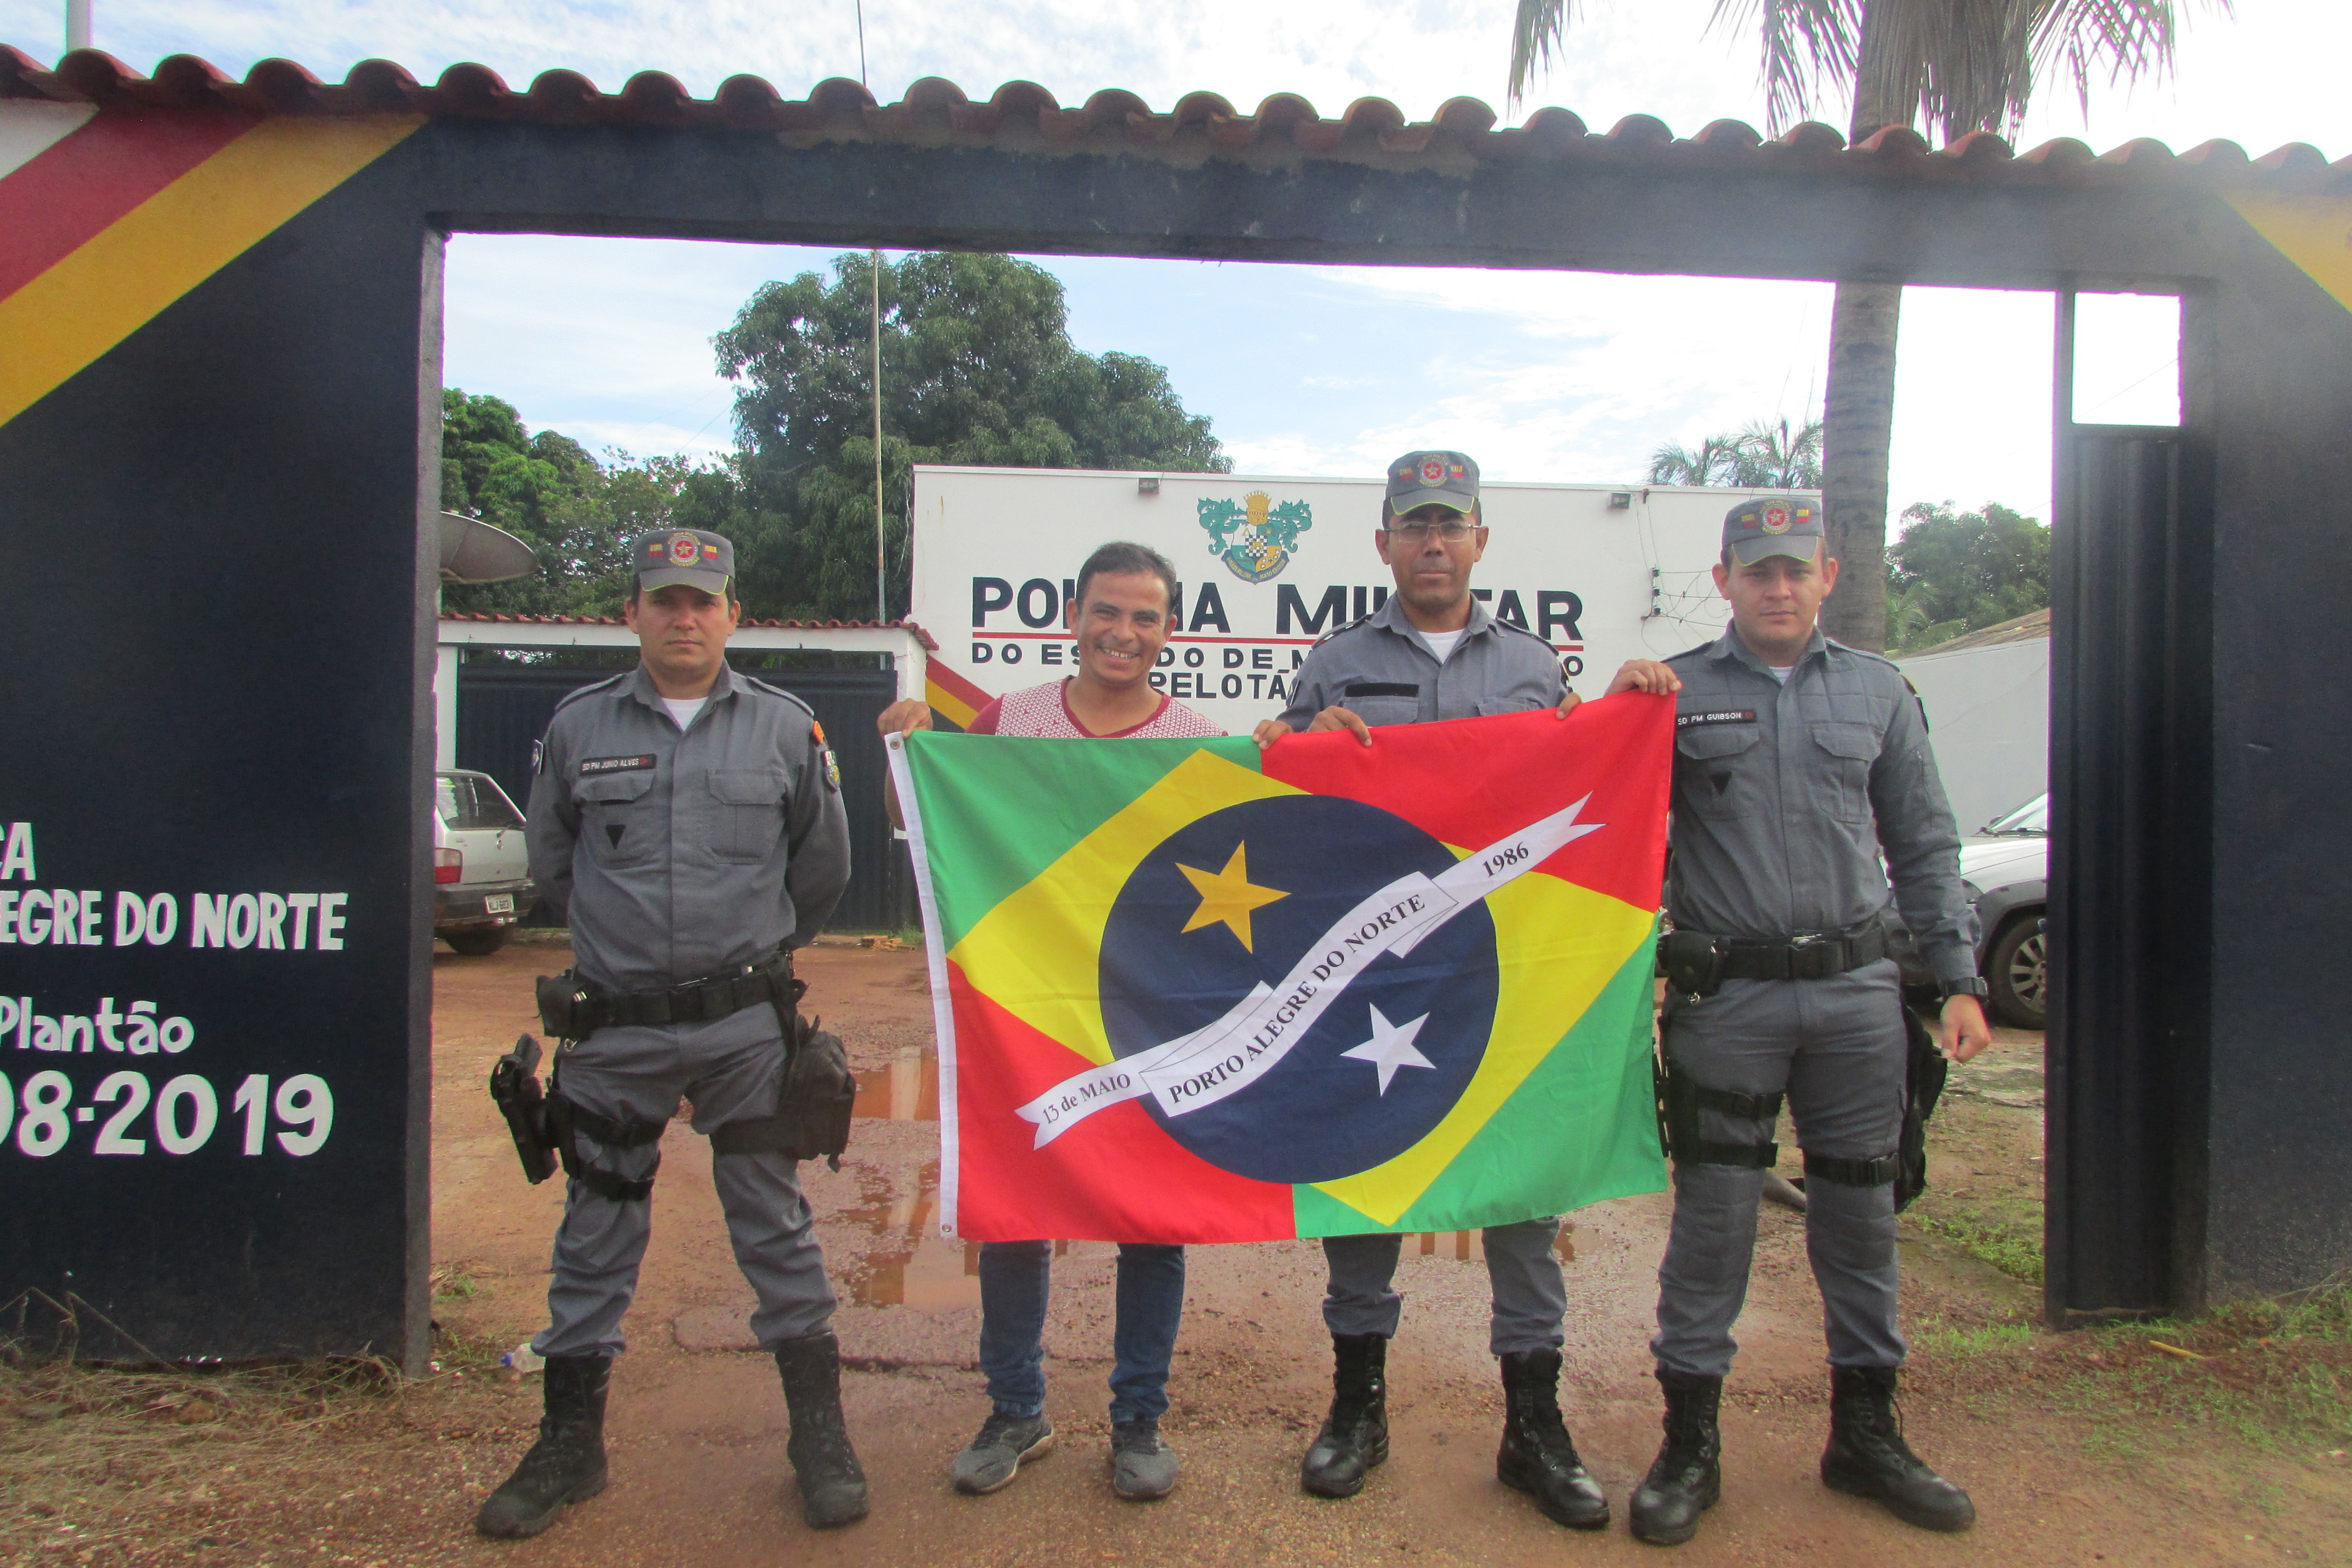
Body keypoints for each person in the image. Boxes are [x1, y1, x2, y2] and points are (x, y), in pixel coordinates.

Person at [1250, 450, 1662, 1532]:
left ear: (1482, 541)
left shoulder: (1533, 665)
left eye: (1453, 523)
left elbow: (1585, 775)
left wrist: (1626, 713)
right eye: (1413, 524)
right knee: (1363, 1181)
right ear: (1383, 544)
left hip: (1502, 977)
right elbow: (1274, 772)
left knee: (1524, 1198)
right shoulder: (1336, 658)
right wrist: (1299, 738)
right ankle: (1358, 1411)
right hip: (1371, 967)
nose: (1433, 541)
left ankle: (1535, 1427)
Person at [478, 529, 863, 1540]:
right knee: (596, 1225)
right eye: (665, 602)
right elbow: (556, 867)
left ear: (733, 614)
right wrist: (628, 959)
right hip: (615, 1032)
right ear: (634, 615)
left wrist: (753, 961)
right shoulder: (576, 726)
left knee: (772, 1223)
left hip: (745, 1030)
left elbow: (819, 874)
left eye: (703, 602)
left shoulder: (786, 730)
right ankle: (571, 1445)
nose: (684, 618)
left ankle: (817, 1436)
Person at [1625, 496, 1990, 1547]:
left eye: (1795, 570)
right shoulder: (1676, 692)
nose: (1777, 588)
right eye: (1757, 571)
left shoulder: (1880, 692)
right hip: (1727, 999)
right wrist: (1619, 707)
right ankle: (1690, 1447)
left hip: (1857, 1000)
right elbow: (1608, 816)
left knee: (1862, 1223)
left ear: (1828, 574)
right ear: (1726, 579)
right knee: (1715, 1226)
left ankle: (1867, 1437)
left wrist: (1958, 978)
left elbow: (1924, 843)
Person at [878, 540, 1219, 1503]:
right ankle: (1015, 1409)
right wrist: (908, 746)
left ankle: (1139, 1420)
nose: (1124, 633)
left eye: (1146, 617)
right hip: (1027, 1013)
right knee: (1017, 1214)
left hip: (1151, 1016)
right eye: (1107, 612)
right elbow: (933, 823)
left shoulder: (1195, 737)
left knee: (1154, 1223)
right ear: (1074, 616)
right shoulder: (1011, 721)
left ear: (1169, 631)